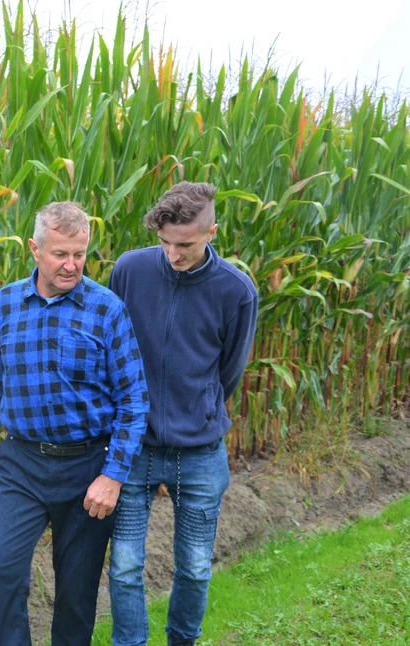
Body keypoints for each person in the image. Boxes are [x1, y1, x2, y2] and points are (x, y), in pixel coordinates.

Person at [0, 201, 150, 646]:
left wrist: (113, 475)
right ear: (35, 249)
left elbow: (134, 400)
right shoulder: (7, 303)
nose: (71, 265)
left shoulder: (107, 309)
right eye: (59, 254)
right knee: (0, 571)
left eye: (79, 254)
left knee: (76, 594)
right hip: (21, 463)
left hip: (86, 468)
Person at [107, 181, 258, 646]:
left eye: (186, 244)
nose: (173, 254)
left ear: (212, 232)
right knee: (126, 565)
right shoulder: (130, 270)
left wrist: (199, 409)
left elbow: (229, 371)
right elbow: (113, 347)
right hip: (134, 447)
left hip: (200, 452)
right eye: (165, 242)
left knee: (194, 567)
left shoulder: (236, 291)